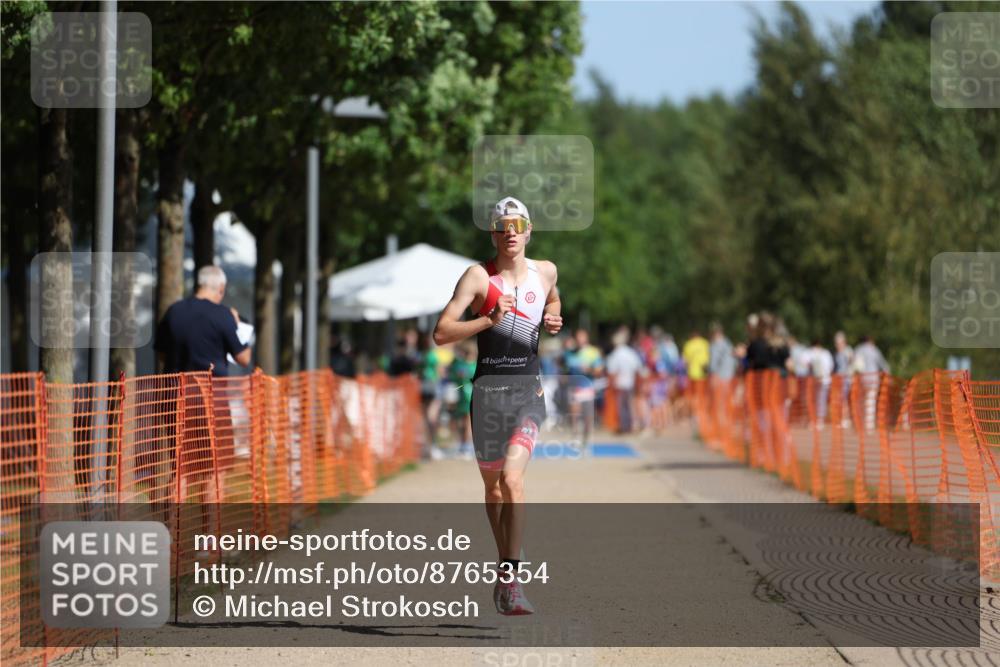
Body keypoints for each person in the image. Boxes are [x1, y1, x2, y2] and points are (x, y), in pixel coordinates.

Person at [432, 196, 561, 616]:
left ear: (528, 231)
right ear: (494, 234)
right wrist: (487, 320)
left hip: (527, 393)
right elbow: (441, 332)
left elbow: (554, 301)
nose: (511, 233)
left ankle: (510, 574)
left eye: (517, 225)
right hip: (487, 395)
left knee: (512, 480)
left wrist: (554, 318)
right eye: (503, 227)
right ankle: (505, 561)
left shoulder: (546, 272)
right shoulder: (477, 277)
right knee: (493, 490)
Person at [154, 265, 252, 513]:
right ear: (220, 288)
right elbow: (243, 358)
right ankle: (207, 540)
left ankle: (169, 535)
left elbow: (162, 353)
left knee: (180, 467)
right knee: (213, 467)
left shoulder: (173, 311)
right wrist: (239, 326)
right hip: (211, 397)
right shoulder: (223, 314)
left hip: (175, 394)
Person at [605, 327, 644, 434]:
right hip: (630, 383)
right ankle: (630, 426)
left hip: (620, 384)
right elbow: (638, 369)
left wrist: (612, 384)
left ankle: (623, 426)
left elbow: (612, 371)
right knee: (629, 406)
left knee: (621, 407)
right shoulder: (631, 353)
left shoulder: (616, 354)